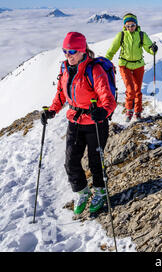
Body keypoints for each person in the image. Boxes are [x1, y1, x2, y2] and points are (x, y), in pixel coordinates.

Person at [40, 32, 117, 215]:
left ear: (82, 50)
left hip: (95, 122)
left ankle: (100, 190)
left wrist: (103, 111)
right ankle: (82, 192)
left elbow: (108, 98)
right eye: (65, 51)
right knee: (70, 161)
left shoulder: (94, 70)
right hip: (74, 120)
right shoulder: (64, 69)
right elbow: (61, 94)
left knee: (95, 161)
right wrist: (51, 110)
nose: (69, 55)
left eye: (72, 51)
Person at [105, 13, 158, 122]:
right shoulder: (122, 35)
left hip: (139, 65)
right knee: (130, 89)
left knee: (138, 90)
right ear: (124, 26)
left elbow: (149, 48)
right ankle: (129, 110)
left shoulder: (142, 35)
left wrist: (153, 49)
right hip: (124, 65)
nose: (130, 28)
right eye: (127, 26)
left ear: (136, 25)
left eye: (132, 25)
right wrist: (105, 61)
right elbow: (112, 49)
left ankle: (137, 112)